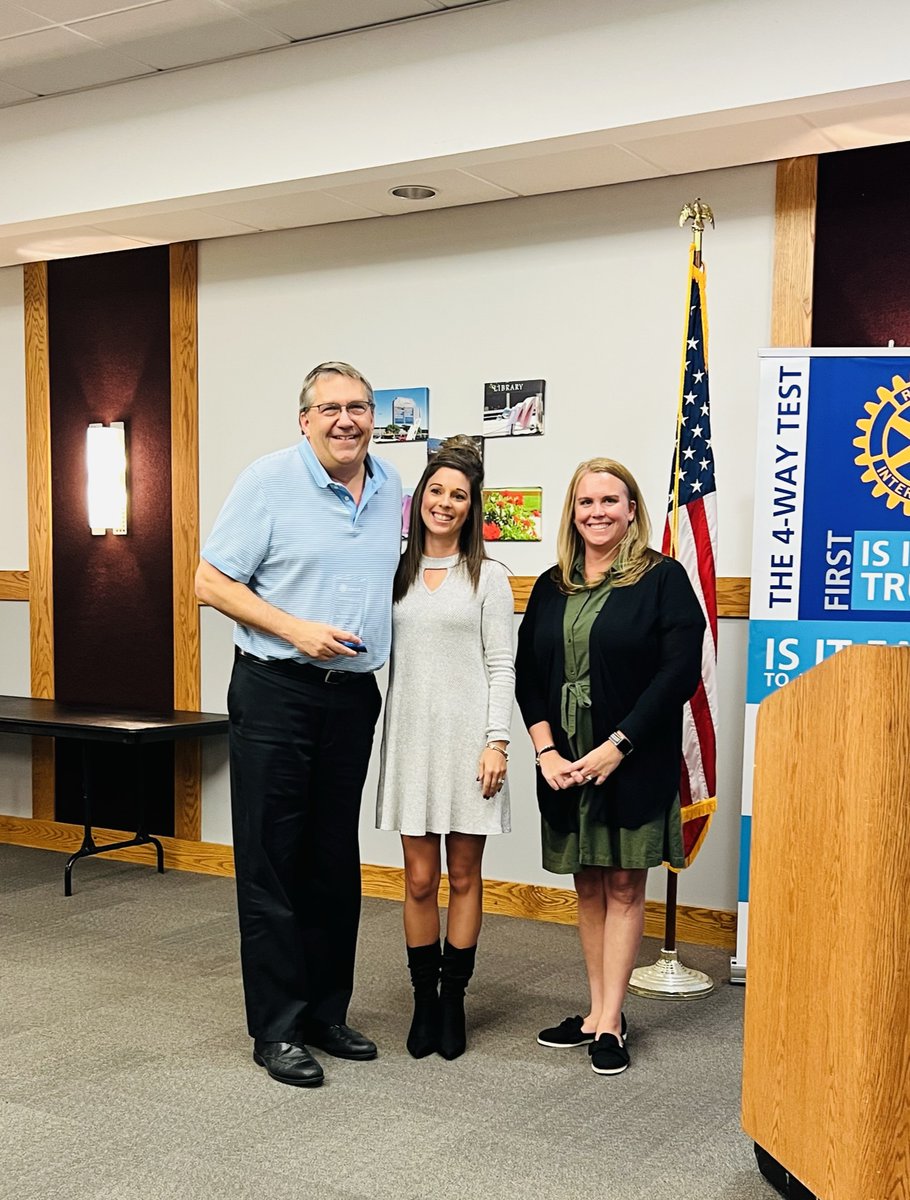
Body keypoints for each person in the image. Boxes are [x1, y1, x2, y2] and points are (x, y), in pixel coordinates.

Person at [195, 361, 401, 1089]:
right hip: (276, 689)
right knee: (272, 862)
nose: (346, 419)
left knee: (330, 860)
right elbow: (210, 581)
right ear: (305, 419)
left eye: (359, 407)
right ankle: (277, 1028)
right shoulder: (268, 482)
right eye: (331, 408)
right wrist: (294, 629)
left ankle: (324, 1012)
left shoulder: (389, 489)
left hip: (350, 696)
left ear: (375, 416)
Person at [515, 458, 704, 1076]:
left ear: (631, 510)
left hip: (632, 758)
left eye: (609, 501)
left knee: (623, 885)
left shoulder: (663, 578)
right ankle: (596, 1011)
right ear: (573, 512)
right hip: (564, 762)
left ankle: (613, 1020)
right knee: (588, 884)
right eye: (585, 502)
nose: (597, 512)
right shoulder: (551, 584)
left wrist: (617, 745)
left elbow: (677, 673)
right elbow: (527, 676)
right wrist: (546, 751)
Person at [376, 438, 515, 1060]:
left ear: (471, 507)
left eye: (459, 495)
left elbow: (501, 666)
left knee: (463, 876)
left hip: (469, 747)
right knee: (417, 877)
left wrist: (497, 743)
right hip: (409, 740)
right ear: (419, 500)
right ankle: (423, 1000)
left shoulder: (489, 577)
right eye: (436, 490)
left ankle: (453, 999)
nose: (446, 502)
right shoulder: (393, 573)